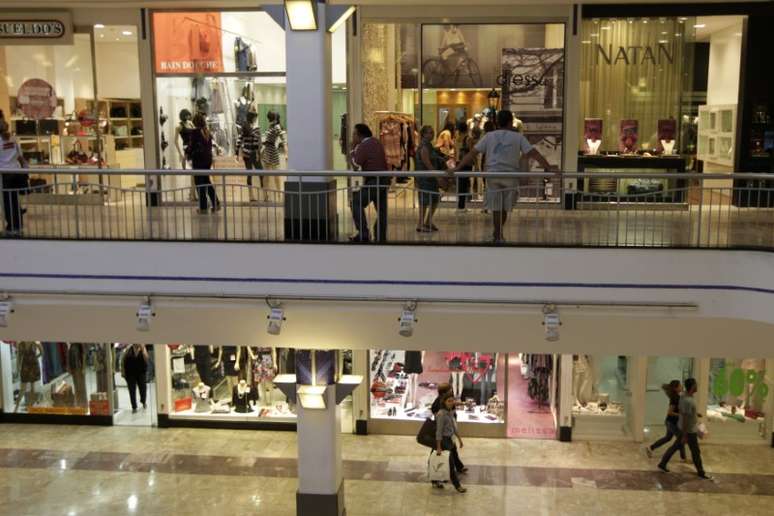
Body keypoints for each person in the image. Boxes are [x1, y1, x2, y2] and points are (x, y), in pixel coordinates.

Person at [453, 110, 556, 243]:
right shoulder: (517, 137)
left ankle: (497, 232)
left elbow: (472, 153)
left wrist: (457, 167)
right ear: (510, 122)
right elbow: (534, 153)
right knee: (504, 207)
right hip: (509, 175)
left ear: (497, 122)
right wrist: (549, 167)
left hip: (493, 174)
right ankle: (498, 232)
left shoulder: (489, 136)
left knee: (497, 207)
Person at [658, 378, 712, 479]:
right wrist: (684, 434)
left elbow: (685, 413)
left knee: (675, 447)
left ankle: (662, 463)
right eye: (696, 385)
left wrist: (695, 414)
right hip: (689, 431)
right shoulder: (688, 401)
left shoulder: (684, 396)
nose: (697, 386)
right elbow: (686, 418)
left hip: (685, 428)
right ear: (692, 387)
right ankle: (701, 472)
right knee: (695, 451)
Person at [349, 123, 389, 242]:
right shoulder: (376, 142)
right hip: (384, 179)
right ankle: (380, 234)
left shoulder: (363, 145)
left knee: (356, 201)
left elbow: (356, 165)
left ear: (359, 135)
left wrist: (352, 150)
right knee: (381, 210)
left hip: (373, 180)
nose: (353, 136)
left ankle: (363, 233)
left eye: (354, 134)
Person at [0, 114, 29, 237]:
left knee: (7, 202)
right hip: (17, 173)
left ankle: (12, 226)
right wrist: (26, 171)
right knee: (15, 201)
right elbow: (21, 157)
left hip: (5, 175)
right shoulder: (13, 139)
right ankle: (18, 225)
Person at [645, 380, 686, 461]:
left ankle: (650, 448)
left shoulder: (677, 397)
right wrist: (681, 415)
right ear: (675, 388)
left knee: (668, 438)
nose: (681, 387)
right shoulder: (675, 398)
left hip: (670, 422)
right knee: (681, 439)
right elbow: (670, 412)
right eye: (680, 385)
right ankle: (683, 458)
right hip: (672, 423)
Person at [435, 393, 467, 493]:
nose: (451, 402)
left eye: (452, 400)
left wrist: (459, 439)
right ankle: (457, 486)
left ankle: (435, 480)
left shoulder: (450, 412)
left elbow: (453, 428)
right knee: (450, 463)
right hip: (443, 441)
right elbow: (439, 432)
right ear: (444, 402)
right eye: (449, 401)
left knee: (439, 461)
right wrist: (439, 446)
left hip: (450, 440)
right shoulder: (441, 414)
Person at [188, 113, 220, 214]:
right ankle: (216, 203)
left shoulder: (195, 132)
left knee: (199, 183)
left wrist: (187, 155)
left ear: (195, 122)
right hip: (207, 160)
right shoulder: (207, 131)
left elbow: (191, 146)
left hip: (198, 161)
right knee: (206, 181)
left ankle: (203, 207)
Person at [415, 125, 443, 233]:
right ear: (423, 134)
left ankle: (428, 221)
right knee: (424, 201)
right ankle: (420, 224)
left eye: (432, 132)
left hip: (431, 178)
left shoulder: (429, 145)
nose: (432, 135)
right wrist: (438, 176)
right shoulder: (424, 147)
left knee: (435, 199)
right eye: (429, 132)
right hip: (425, 178)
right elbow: (427, 163)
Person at [236, 111, 263, 202]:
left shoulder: (244, 127)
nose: (256, 119)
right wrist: (258, 154)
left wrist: (237, 152)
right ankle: (264, 194)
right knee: (261, 172)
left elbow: (239, 140)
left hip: (246, 153)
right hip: (253, 153)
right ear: (252, 118)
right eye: (255, 117)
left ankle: (251, 195)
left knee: (249, 174)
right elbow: (256, 142)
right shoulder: (255, 128)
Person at [262, 111, 285, 202]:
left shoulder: (276, 127)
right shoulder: (271, 126)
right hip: (267, 150)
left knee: (276, 175)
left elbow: (283, 138)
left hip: (271, 150)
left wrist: (286, 151)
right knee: (266, 175)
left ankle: (279, 194)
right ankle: (266, 194)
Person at [122, 344, 149, 414]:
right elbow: (123, 360)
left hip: (141, 372)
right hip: (130, 373)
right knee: (132, 390)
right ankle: (134, 406)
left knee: (143, 388)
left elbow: (146, 359)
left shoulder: (143, 348)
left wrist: (143, 350)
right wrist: (123, 372)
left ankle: (143, 401)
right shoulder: (128, 349)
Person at [454, 120, 475, 213]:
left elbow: (455, 152)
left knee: (461, 184)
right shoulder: (468, 139)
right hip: (466, 163)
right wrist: (475, 162)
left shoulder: (457, 138)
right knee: (465, 183)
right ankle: (462, 206)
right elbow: (471, 152)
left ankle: (460, 205)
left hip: (458, 162)